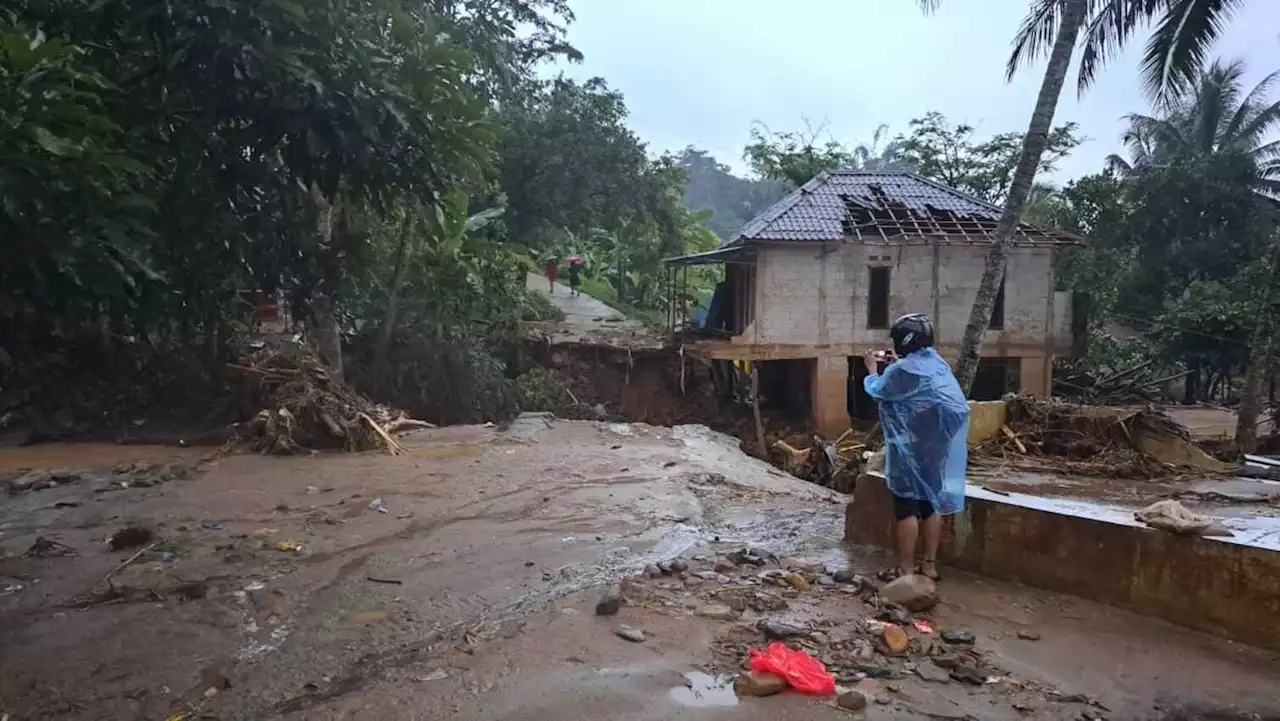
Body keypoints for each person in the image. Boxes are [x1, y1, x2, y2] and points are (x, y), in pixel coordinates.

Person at [861, 313, 969, 582]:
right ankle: (929, 566)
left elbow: (878, 391)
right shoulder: (937, 363)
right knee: (930, 503)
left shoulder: (900, 370)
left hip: (909, 446)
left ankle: (906, 569)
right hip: (935, 445)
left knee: (906, 506)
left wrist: (872, 369)